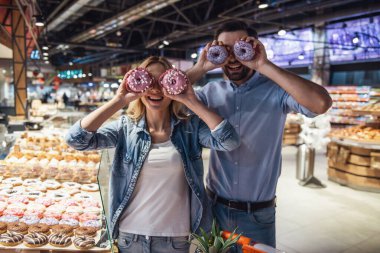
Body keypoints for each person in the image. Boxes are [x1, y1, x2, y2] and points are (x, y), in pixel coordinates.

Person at [65, 56, 240, 253]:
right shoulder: (125, 128)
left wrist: (190, 100)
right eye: (149, 82)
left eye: (163, 82)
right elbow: (76, 139)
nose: (156, 89)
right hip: (130, 238)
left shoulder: (190, 128)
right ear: (138, 86)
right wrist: (119, 100)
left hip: (175, 240)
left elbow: (229, 141)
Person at [186, 21, 332, 251]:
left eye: (239, 48)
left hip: (257, 215)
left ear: (255, 47)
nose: (233, 58)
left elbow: (321, 103)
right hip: (213, 209)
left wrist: (264, 65)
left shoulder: (276, 91)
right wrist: (200, 67)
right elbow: (166, 99)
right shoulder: (210, 93)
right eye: (225, 50)